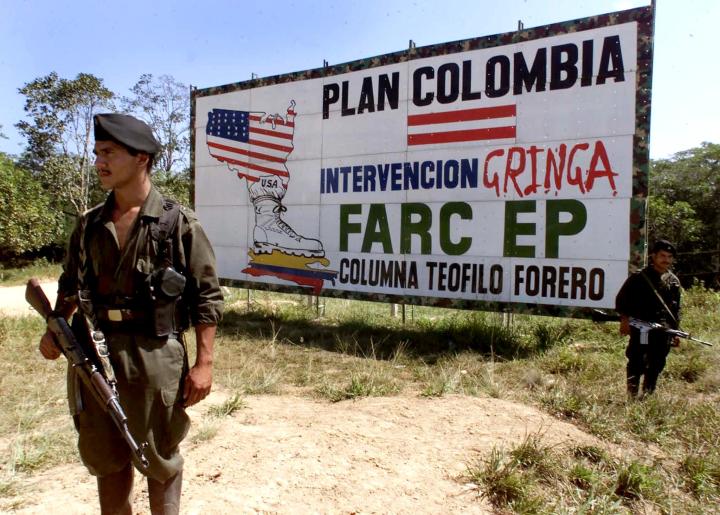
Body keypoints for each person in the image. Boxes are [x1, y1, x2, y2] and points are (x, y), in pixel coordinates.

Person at [38, 113, 224, 514]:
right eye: (97, 153)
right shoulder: (89, 224)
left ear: (141, 158)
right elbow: (70, 285)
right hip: (94, 355)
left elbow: (207, 296)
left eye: (109, 153)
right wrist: (55, 325)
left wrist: (204, 363)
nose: (99, 162)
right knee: (106, 456)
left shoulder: (177, 223)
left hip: (155, 354)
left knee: (158, 457)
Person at [615, 239, 681, 399]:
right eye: (662, 256)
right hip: (642, 329)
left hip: (663, 331)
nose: (666, 259)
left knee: (657, 363)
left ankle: (646, 396)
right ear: (653, 256)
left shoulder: (673, 282)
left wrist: (676, 332)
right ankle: (631, 395)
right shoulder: (639, 278)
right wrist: (624, 322)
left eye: (669, 256)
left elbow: (676, 309)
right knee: (637, 360)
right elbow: (621, 300)